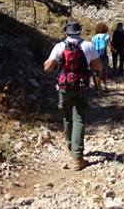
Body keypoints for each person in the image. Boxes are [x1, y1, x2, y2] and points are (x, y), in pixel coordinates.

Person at [43, 21, 103, 170]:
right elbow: (98, 66)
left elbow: (47, 68)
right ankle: (78, 157)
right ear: (79, 31)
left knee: (67, 117)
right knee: (79, 118)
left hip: (64, 87)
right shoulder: (88, 46)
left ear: (66, 32)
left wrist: (56, 63)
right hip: (82, 87)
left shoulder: (59, 46)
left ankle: (71, 148)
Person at [91, 22, 111, 90]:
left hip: (96, 56)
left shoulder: (94, 37)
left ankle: (97, 86)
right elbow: (110, 45)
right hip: (104, 56)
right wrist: (115, 50)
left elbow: (92, 46)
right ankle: (104, 85)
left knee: (97, 72)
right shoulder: (106, 36)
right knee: (104, 71)